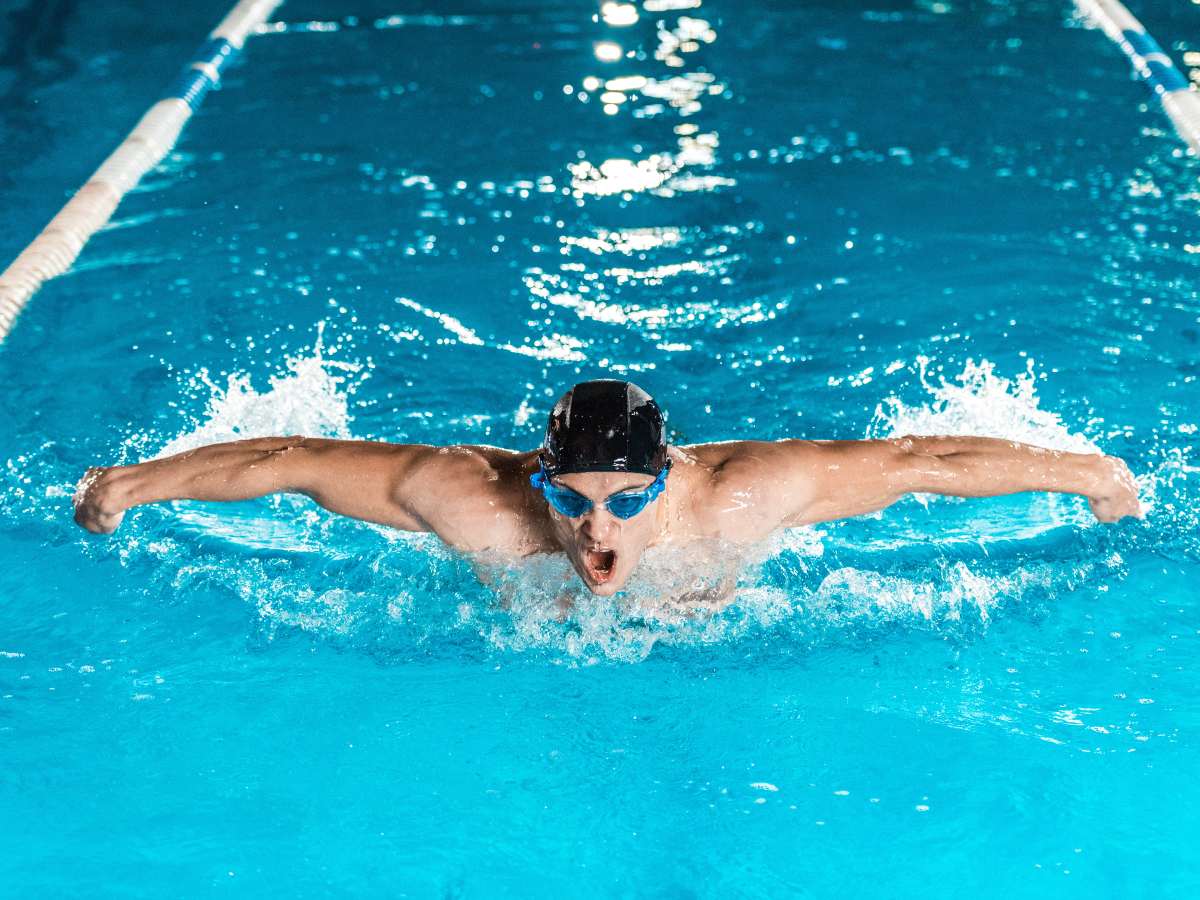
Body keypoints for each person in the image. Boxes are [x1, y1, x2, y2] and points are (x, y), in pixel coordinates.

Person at [73, 379, 1142, 598]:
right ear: (536, 478)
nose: (596, 530)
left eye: (626, 501)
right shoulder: (471, 499)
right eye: (571, 499)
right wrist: (132, 486)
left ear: (666, 478)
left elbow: (919, 465)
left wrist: (1089, 476)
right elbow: (293, 459)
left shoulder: (741, 494)